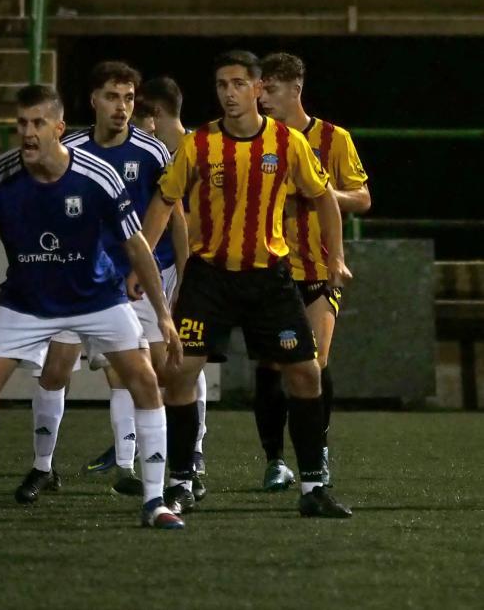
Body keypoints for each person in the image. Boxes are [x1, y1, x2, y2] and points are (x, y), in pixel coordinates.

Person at [0, 83, 185, 530]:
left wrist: (164, 314)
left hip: (96, 297)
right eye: (21, 123)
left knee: (144, 380)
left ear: (58, 128)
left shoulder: (98, 175)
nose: (28, 133)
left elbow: (138, 247)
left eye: (38, 123)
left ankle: (155, 501)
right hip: (25, 303)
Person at [134, 50, 353, 518]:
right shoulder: (198, 144)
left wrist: (336, 256)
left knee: (306, 374)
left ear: (257, 88)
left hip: (269, 279)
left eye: (237, 84)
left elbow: (325, 199)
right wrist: (144, 262)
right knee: (179, 374)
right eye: (220, 85)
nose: (229, 93)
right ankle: (181, 481)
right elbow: (163, 201)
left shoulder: (287, 142)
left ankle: (313, 486)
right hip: (209, 276)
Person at [28, 62, 188, 501]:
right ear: (94, 100)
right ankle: (43, 467)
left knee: (153, 370)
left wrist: (179, 269)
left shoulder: (154, 152)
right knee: (56, 367)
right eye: (113, 97)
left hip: (133, 281)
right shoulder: (69, 149)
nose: (122, 107)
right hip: (77, 278)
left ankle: (149, 466)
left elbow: (173, 214)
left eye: (130, 98)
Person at [255, 52, 371, 491]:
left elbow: (362, 198)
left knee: (315, 364)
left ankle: (316, 454)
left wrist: (320, 193)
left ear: (295, 90)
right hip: (269, 268)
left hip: (319, 268)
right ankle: (274, 460)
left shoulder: (332, 138)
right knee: (269, 364)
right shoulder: (258, 140)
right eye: (260, 89)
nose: (262, 98)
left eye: (271, 90)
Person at [134, 76, 209, 498]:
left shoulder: (196, 150)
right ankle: (145, 443)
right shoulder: (167, 151)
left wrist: (185, 274)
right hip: (164, 264)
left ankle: (194, 449)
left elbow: (180, 216)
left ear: (155, 114)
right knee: (156, 361)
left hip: (195, 267)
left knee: (187, 357)